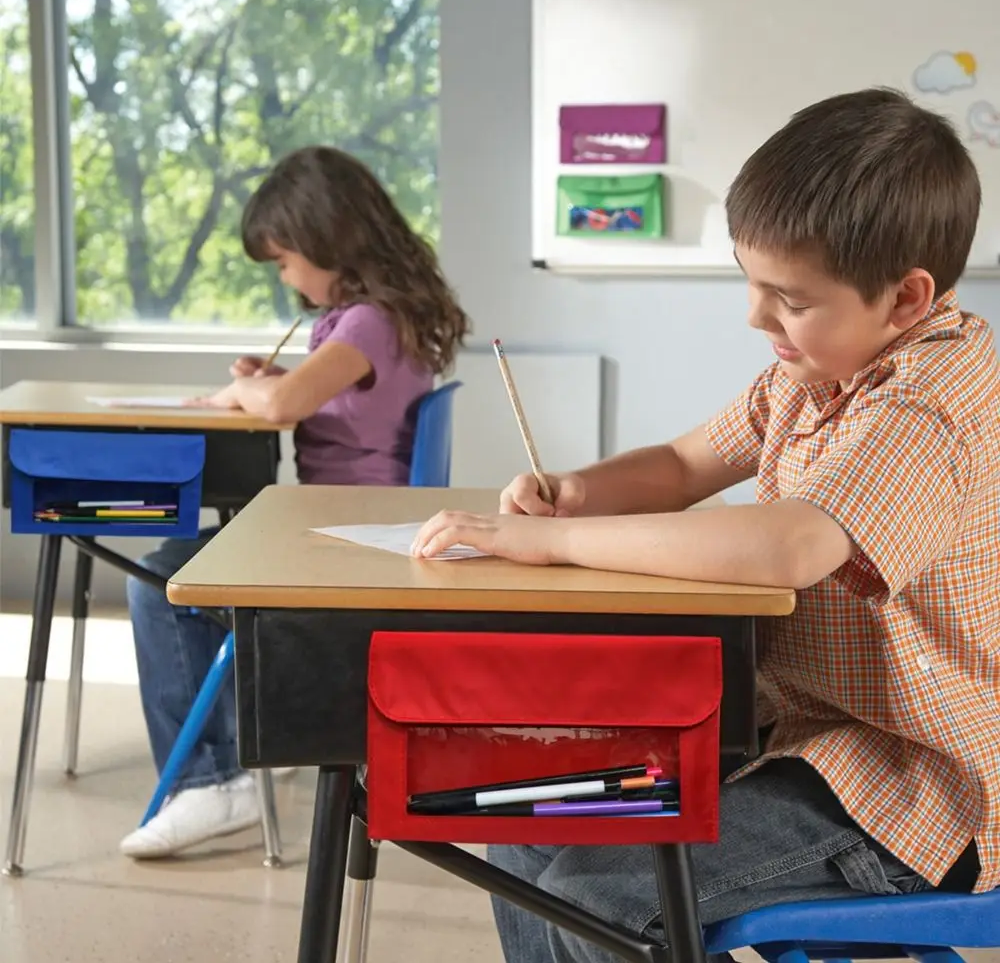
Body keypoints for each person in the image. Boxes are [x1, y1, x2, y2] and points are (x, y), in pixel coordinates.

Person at [413, 87, 1000, 961]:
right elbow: (685, 465)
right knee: (527, 815)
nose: (757, 317)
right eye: (751, 283)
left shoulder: (931, 401)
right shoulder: (811, 375)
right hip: (791, 737)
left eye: (789, 298)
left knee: (596, 894)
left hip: (911, 790)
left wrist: (553, 541)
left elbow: (791, 544)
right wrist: (576, 491)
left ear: (907, 299)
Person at [121, 145, 470, 859]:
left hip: (345, 536)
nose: (284, 276)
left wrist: (252, 387)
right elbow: (327, 399)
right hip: (351, 523)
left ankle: (216, 784)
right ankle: (231, 755)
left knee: (160, 584)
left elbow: (281, 408)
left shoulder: (367, 321)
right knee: (174, 569)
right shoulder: (377, 317)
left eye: (284, 260)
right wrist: (283, 375)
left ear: (323, 239)